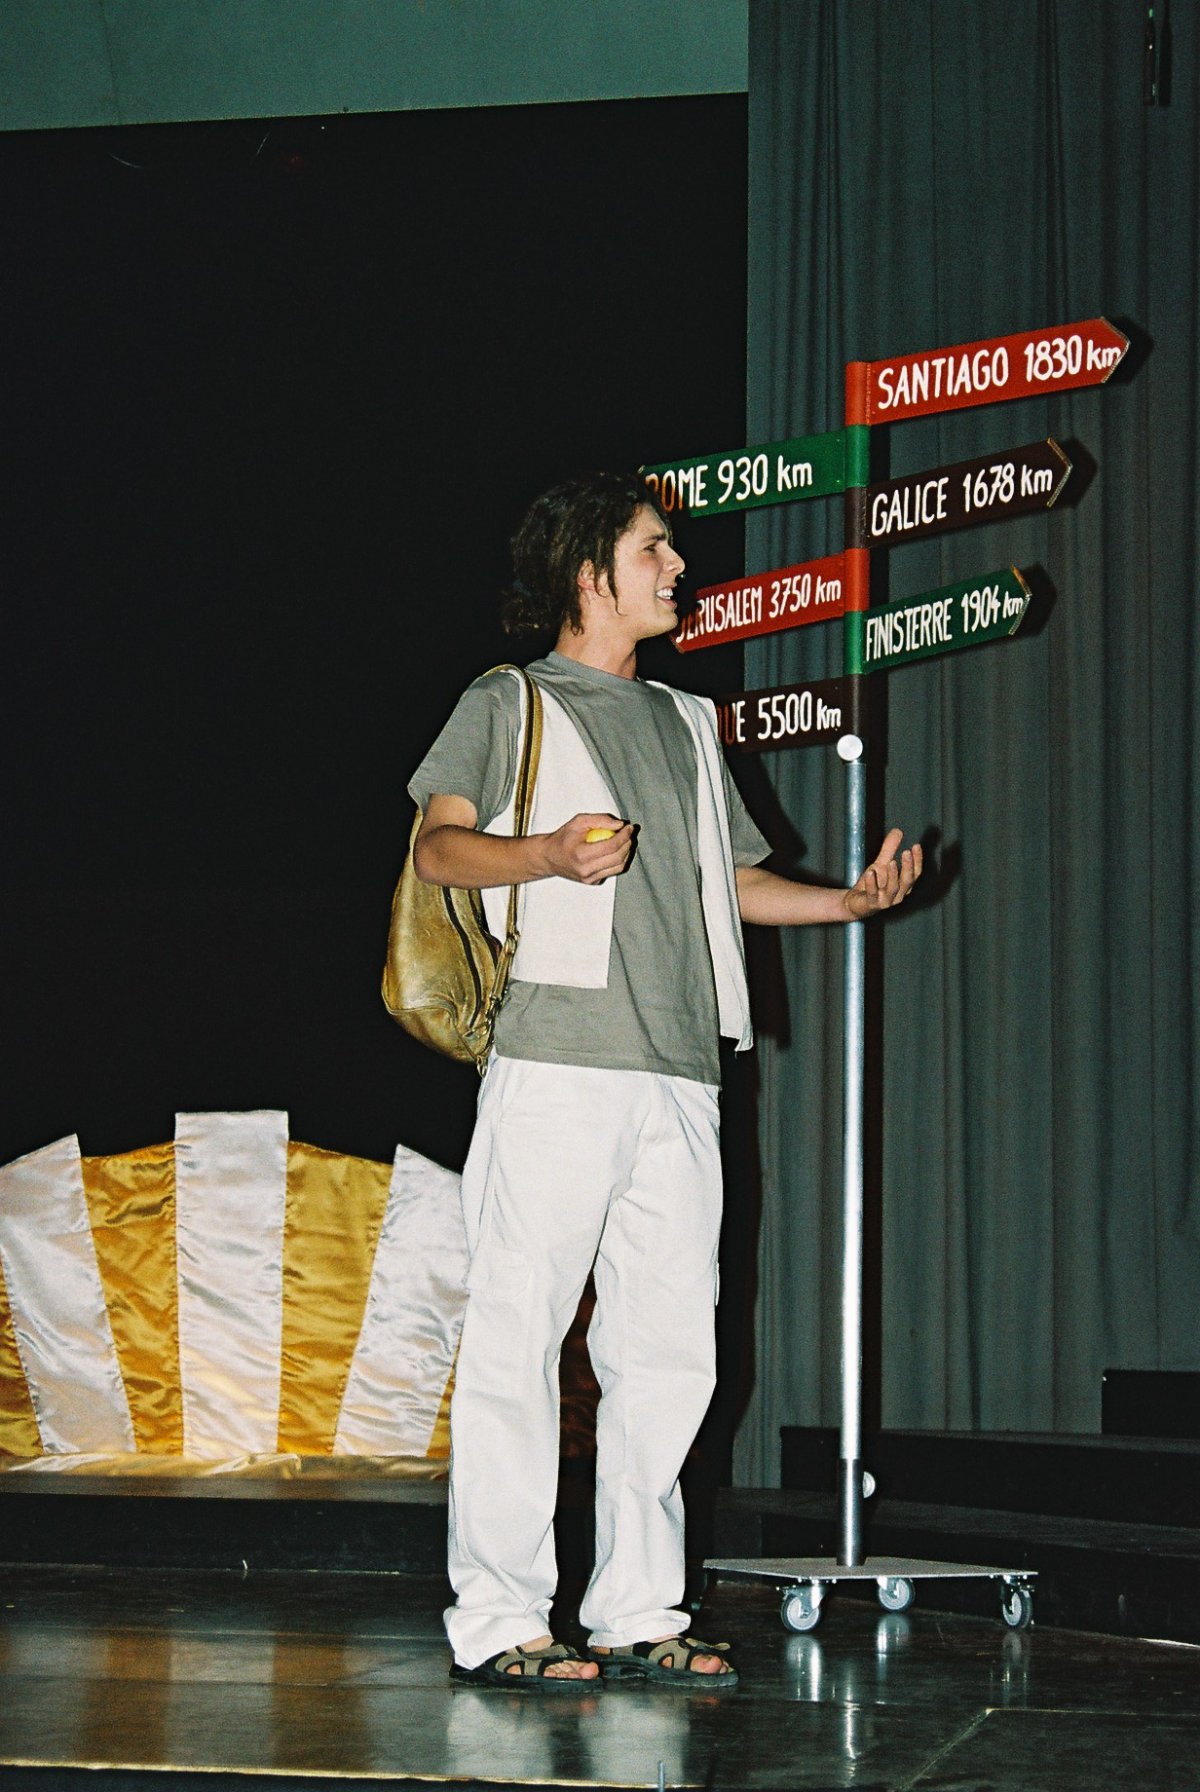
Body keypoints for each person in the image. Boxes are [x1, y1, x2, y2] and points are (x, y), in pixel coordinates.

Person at [409, 471, 921, 1691]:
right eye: (654, 550)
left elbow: (729, 883)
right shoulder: (512, 699)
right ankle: (501, 1617)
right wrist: (545, 854)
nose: (678, 568)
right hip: (554, 1065)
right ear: (590, 574)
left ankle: (638, 1607)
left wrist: (846, 903)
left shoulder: (690, 722)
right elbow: (438, 848)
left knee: (671, 1351)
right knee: (519, 1341)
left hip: (684, 1076)